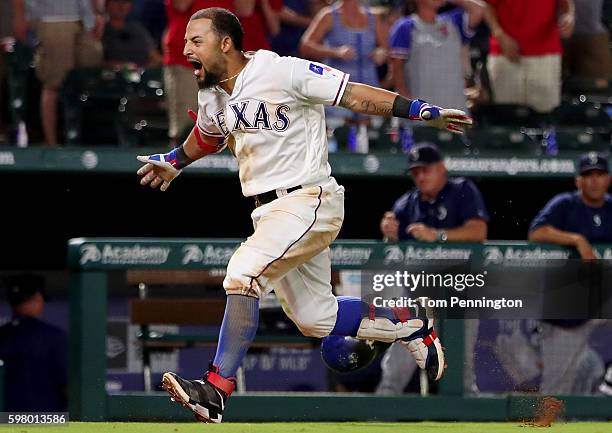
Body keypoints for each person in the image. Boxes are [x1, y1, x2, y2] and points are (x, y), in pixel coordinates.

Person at [135, 7, 471, 423]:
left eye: (196, 40)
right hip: (269, 212)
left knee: (242, 273)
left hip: (307, 199)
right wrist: (174, 160)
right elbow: (209, 133)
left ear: (226, 43)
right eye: (186, 41)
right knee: (317, 319)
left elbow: (352, 93)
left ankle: (215, 389)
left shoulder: (281, 71)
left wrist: (419, 109)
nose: (186, 49)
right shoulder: (213, 92)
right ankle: (409, 325)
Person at [377, 143, 488, 394]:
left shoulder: (462, 190)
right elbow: (391, 247)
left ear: (442, 168)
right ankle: (379, 416)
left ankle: (467, 422)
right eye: (415, 172)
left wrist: (437, 236)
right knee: (397, 365)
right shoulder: (407, 203)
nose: (421, 176)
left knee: (459, 369)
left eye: (426, 170)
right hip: (418, 295)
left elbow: (479, 231)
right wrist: (389, 233)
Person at [13, 0, 104, 145]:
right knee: (54, 80)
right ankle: (51, 143)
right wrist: (19, 16)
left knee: (89, 72)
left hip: (84, 16)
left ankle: (83, 139)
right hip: (52, 16)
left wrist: (97, 12)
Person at [162, 0, 247, 147]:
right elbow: (180, 4)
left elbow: (245, 9)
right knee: (185, 129)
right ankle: (176, 166)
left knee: (230, 125)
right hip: (187, 61)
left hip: (222, 60)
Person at [389, 0, 486, 111]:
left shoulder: (453, 22)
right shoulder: (405, 27)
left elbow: (479, 9)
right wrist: (409, 106)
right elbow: (397, 72)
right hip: (423, 115)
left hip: (455, 112)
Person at [484, 0, 575, 113]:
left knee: (545, 115)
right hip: (505, 54)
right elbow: (487, 5)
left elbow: (566, 4)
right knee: (507, 115)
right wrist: (499, 35)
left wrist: (568, 17)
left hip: (545, 55)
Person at [0, 274, 67, 411]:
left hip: (5, 422)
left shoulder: (2, 335)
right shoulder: (53, 336)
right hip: (47, 421)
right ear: (37, 298)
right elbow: (68, 384)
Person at [528, 152, 612, 260]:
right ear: (578, 181)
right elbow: (536, 233)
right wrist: (577, 240)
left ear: (608, 180)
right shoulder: (565, 202)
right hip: (569, 272)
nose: (594, 181)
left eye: (600, 175)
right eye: (588, 175)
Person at [103, 0, 163, 68]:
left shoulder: (138, 29)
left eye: (125, 2)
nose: (121, 6)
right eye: (116, 1)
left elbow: (155, 57)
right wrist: (122, 66)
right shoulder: (101, 32)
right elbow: (96, 61)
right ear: (106, 5)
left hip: (143, 74)